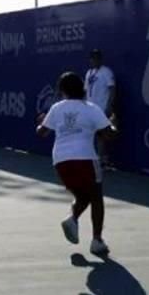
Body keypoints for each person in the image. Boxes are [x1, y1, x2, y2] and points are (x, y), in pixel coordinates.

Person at [37, 71, 118, 256]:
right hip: (85, 159)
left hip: (61, 162)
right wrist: (114, 124)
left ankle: (72, 219)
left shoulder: (56, 108)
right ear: (82, 88)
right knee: (95, 196)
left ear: (62, 91)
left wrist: (40, 123)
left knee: (83, 196)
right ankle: (97, 241)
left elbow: (41, 133)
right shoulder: (92, 108)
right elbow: (109, 135)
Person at [84, 48, 116, 167]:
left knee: (101, 136)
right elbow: (85, 91)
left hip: (102, 109)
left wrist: (109, 106)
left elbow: (112, 89)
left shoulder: (106, 72)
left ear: (100, 59)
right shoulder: (89, 73)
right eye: (92, 58)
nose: (94, 60)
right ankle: (98, 158)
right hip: (89, 109)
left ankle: (101, 160)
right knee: (91, 135)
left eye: (96, 58)